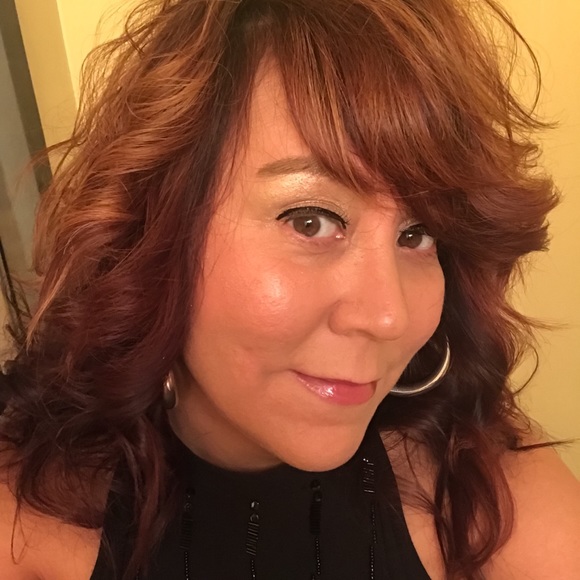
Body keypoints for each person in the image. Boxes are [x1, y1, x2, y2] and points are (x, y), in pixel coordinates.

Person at [1, 0, 579, 578]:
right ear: (158, 231)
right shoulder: (26, 524)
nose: (389, 316)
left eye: (418, 234)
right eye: (311, 221)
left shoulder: (490, 499)